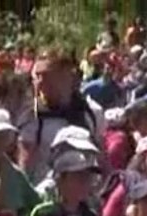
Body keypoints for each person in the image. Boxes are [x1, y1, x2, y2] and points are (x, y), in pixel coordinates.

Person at [18, 50, 104, 183]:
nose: (39, 84)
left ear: (66, 76)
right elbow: (24, 166)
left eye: (46, 76)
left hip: (86, 193)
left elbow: (101, 156)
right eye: (37, 77)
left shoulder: (92, 112)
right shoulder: (33, 116)